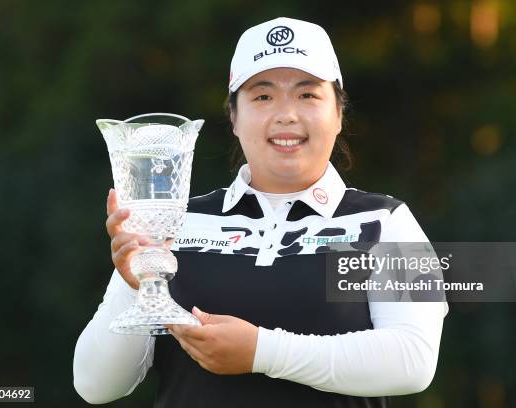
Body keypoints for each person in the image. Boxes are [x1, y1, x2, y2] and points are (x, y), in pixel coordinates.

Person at [73, 16, 449, 407]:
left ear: (339, 113)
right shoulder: (176, 224)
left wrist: (261, 353)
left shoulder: (387, 221)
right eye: (263, 96)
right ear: (234, 117)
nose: (286, 114)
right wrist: (136, 289)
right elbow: (94, 385)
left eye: (307, 95)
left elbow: (413, 360)